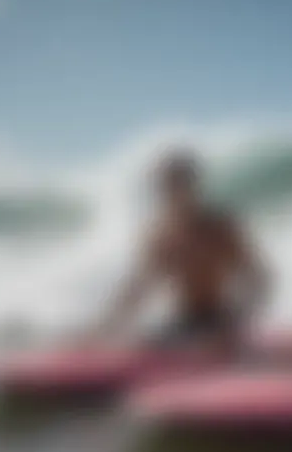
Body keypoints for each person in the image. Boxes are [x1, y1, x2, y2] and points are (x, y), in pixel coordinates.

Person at [90, 149, 269, 351]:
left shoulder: (219, 229)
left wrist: (238, 319)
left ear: (193, 187)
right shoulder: (162, 236)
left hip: (223, 318)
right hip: (185, 323)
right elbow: (138, 287)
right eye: (167, 188)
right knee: (140, 347)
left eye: (179, 186)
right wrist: (105, 326)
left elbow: (258, 279)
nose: (174, 195)